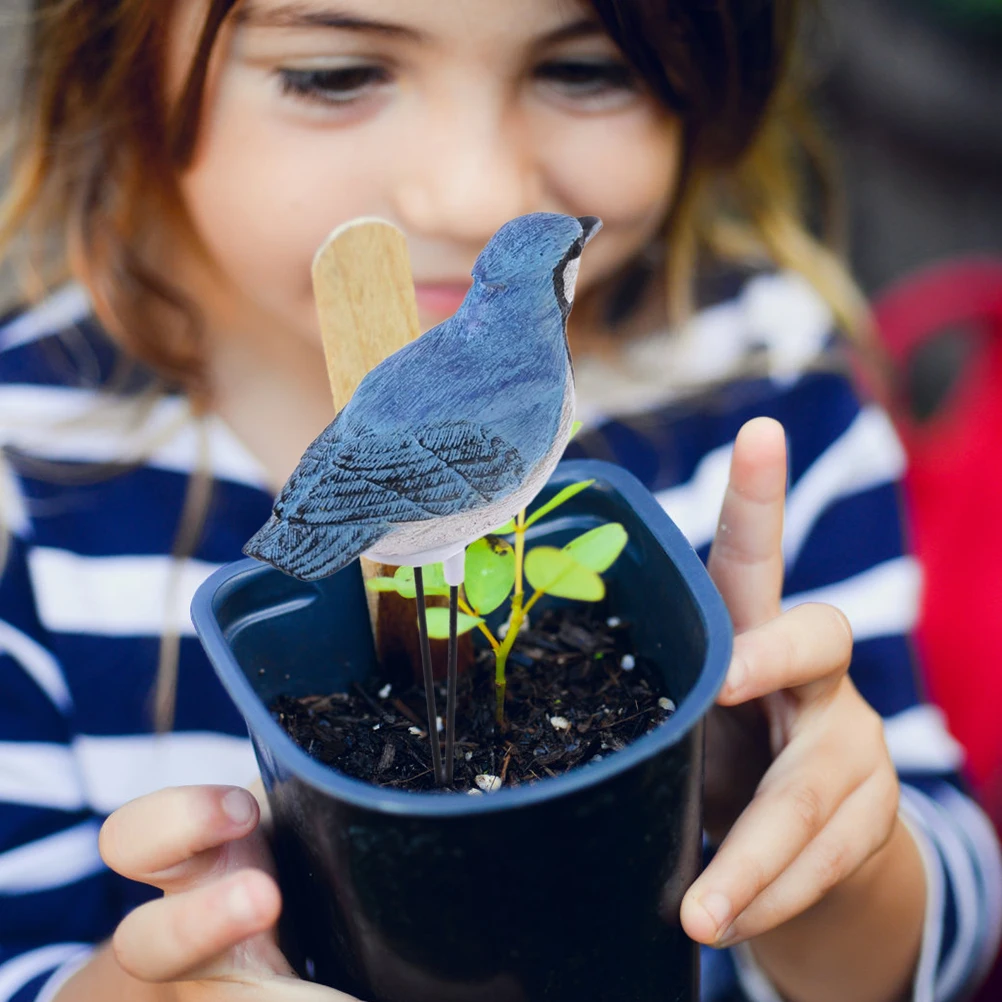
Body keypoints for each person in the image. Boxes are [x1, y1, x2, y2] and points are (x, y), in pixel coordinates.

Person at [0, 2, 997, 1001]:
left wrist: (833, 875)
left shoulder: (775, 378)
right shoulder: (24, 473)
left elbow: (955, 905)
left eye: (585, 69)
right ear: (112, 70)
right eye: (336, 73)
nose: (472, 197)